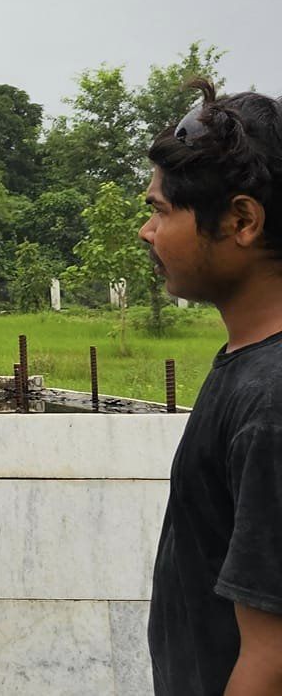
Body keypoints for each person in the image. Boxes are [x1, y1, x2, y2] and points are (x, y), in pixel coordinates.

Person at [144, 83, 282, 694]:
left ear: (241, 220)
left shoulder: (270, 403)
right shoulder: (244, 363)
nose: (147, 231)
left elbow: (272, 658)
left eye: (162, 211)